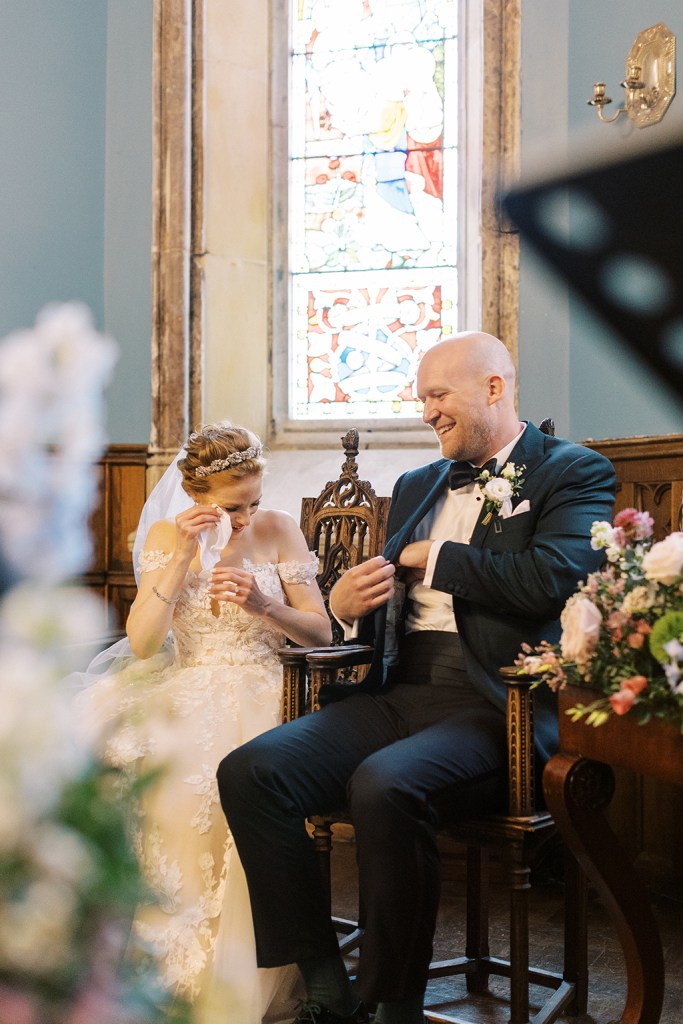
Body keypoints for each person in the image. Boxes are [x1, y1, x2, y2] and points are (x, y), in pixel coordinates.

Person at [216, 333, 618, 1024]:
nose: (426, 412)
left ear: (493, 387)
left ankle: (393, 1004)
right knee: (252, 771)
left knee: (385, 784)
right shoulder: (414, 485)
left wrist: (437, 552)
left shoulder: (572, 471)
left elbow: (556, 576)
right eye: (421, 399)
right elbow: (381, 613)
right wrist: (344, 611)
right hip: (402, 692)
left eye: (438, 395)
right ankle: (324, 985)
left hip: (500, 702)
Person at [76, 422, 332, 1024]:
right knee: (142, 764)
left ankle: (243, 971)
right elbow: (142, 645)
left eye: (254, 503)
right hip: (187, 680)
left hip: (270, 686)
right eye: (231, 507)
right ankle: (158, 964)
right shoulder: (169, 535)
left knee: (220, 772)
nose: (245, 519)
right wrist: (181, 560)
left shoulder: (279, 532)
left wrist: (263, 605)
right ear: (195, 498)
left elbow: (322, 632)